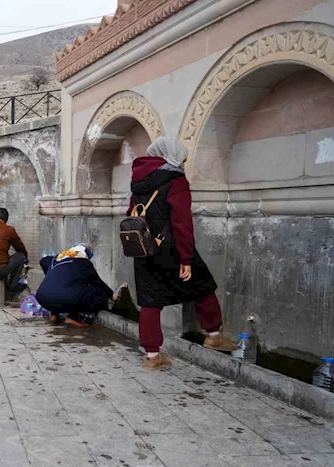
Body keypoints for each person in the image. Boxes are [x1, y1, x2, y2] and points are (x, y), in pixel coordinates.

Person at [128, 137, 236, 371]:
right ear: (172, 156)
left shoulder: (138, 181)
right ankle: (214, 336)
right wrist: (186, 258)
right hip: (172, 249)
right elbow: (182, 223)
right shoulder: (175, 180)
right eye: (183, 159)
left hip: (144, 248)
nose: (184, 163)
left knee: (150, 301)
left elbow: (131, 213)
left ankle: (152, 357)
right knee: (203, 286)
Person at [37, 244, 126, 327]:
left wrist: (49, 275)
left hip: (42, 298)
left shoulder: (55, 260)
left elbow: (42, 261)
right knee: (96, 295)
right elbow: (97, 282)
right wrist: (111, 295)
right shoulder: (83, 263)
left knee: (59, 290)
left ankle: (54, 315)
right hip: (67, 298)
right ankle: (74, 317)